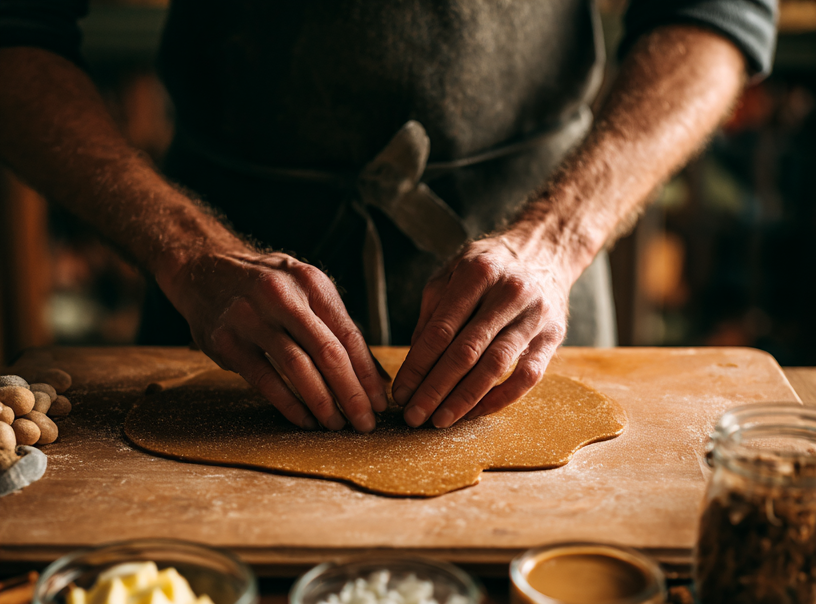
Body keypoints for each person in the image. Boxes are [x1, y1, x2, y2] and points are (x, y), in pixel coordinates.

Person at [0, 1, 773, 433]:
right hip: (220, 292)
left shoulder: (551, 244)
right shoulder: (201, 268)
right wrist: (188, 251)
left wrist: (557, 237)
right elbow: (17, 29)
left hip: (535, 264)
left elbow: (714, 10)